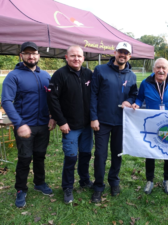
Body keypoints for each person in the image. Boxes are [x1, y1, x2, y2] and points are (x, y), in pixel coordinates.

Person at [2, 41, 55, 208]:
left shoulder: (46, 75)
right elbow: (7, 101)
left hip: (43, 125)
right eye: (27, 53)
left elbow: (52, 99)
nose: (31, 56)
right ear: (21, 56)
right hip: (25, 126)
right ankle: (20, 189)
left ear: (39, 55)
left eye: (34, 53)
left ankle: (39, 183)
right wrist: (19, 123)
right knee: (25, 159)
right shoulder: (14, 76)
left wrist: (52, 116)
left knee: (40, 156)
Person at [90, 42, 138, 202]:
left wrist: (129, 101)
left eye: (126, 53)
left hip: (121, 121)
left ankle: (114, 181)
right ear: (115, 52)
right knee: (100, 155)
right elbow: (93, 95)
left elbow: (134, 94)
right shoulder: (100, 70)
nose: (123, 55)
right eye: (120, 52)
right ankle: (98, 186)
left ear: (129, 56)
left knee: (117, 154)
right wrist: (94, 117)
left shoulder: (132, 75)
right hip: (102, 121)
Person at [47, 45, 93, 204]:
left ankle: (85, 180)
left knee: (86, 155)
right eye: (73, 56)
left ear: (83, 58)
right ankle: (67, 187)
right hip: (70, 126)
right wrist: (61, 121)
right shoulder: (59, 75)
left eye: (79, 56)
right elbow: (52, 99)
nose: (76, 59)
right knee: (71, 157)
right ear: (66, 57)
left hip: (87, 126)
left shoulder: (88, 74)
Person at [132, 58, 168, 195]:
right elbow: (140, 97)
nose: (161, 70)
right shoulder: (146, 83)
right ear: (154, 69)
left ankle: (167, 180)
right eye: (158, 67)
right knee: (150, 151)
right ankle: (149, 180)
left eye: (164, 68)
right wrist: (137, 103)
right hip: (152, 122)